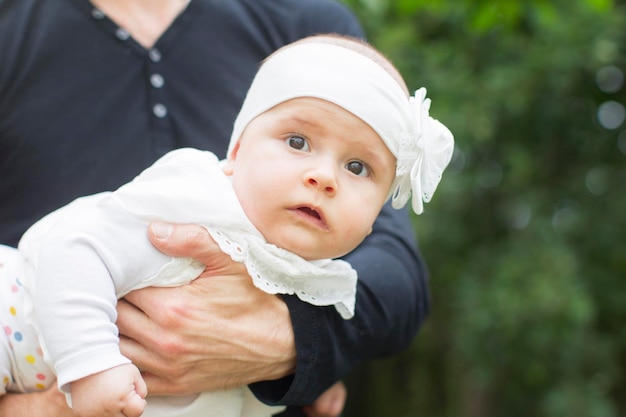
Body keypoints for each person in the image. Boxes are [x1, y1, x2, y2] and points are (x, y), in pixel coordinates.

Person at [0, 1, 435, 416]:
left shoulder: (303, 19)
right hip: (19, 324)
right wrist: (90, 369)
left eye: (357, 167)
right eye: (298, 142)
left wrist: (301, 357)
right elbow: (74, 248)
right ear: (238, 146)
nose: (325, 177)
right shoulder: (197, 196)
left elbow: (398, 288)